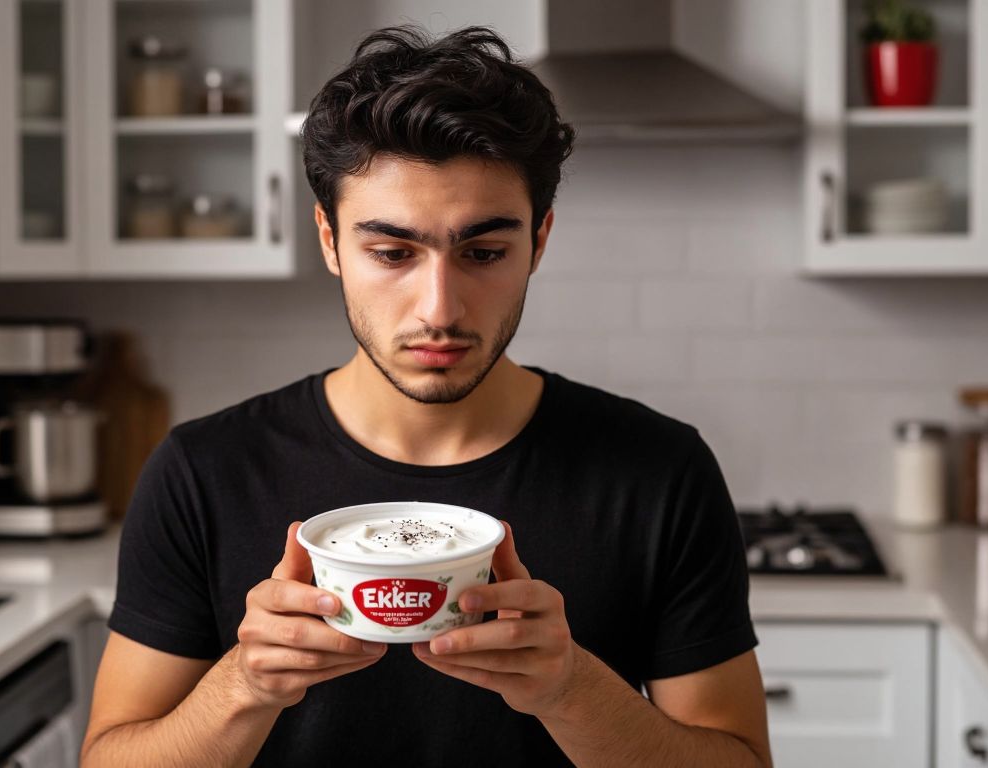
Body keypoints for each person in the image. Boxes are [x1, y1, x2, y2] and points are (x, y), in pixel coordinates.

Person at [81, 24, 770, 768]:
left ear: (538, 241)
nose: (438, 308)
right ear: (328, 241)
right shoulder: (203, 472)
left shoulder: (659, 471)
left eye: (483, 252)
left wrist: (570, 688)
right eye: (392, 253)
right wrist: (245, 685)